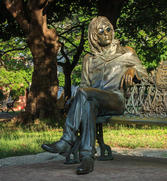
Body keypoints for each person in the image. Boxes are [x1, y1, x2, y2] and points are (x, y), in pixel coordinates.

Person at [41, 16, 147, 175]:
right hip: (93, 102)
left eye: (109, 29)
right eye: (101, 31)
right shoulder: (89, 59)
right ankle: (87, 157)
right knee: (87, 103)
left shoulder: (127, 53)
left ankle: (66, 140)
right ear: (94, 36)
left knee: (84, 94)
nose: (106, 34)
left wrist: (133, 70)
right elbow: (85, 85)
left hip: (116, 100)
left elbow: (145, 75)